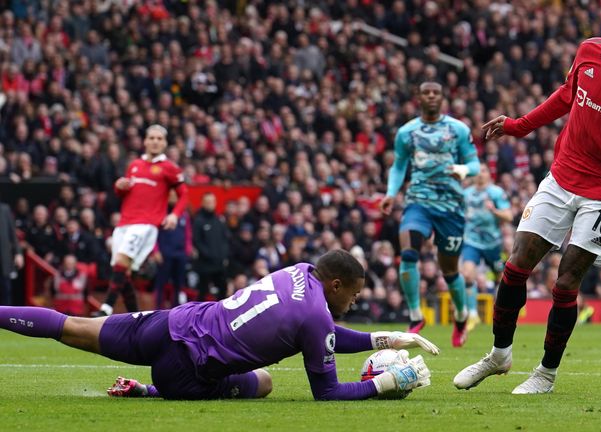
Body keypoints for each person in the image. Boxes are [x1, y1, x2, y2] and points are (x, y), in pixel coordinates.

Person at [454, 0, 601, 393]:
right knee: (517, 263)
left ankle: (545, 374)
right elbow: (565, 96)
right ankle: (499, 355)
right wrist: (519, 126)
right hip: (561, 178)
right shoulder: (590, 50)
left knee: (566, 281)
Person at [0, 250, 436, 400]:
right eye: (353, 294)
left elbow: (319, 332)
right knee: (263, 382)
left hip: (173, 321)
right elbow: (327, 393)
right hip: (182, 371)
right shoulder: (317, 315)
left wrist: (382, 337)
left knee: (71, 326)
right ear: (336, 284)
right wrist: (387, 382)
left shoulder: (300, 271)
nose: (355, 301)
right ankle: (150, 391)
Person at [379, 81, 481, 347]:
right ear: (418, 96)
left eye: (436, 92)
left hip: (451, 207)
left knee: (449, 271)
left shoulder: (458, 129)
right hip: (418, 202)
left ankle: (460, 318)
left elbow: (474, 164)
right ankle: (415, 315)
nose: (432, 96)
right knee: (408, 251)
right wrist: (391, 193)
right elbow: (399, 165)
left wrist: (463, 170)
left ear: (442, 97)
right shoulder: (407, 132)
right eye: (426, 92)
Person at [99, 124, 188, 316]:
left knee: (121, 263)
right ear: (145, 141)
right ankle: (135, 318)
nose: (155, 141)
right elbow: (124, 192)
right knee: (122, 272)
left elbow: (184, 194)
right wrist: (119, 187)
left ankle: (105, 308)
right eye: (152, 138)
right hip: (124, 222)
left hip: (146, 224)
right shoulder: (134, 165)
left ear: (164, 143)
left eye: (159, 139)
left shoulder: (169, 168)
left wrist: (174, 215)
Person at [461, 163, 513, 330]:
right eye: (477, 172)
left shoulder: (495, 192)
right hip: (471, 241)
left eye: (483, 171)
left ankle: (502, 313)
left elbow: (509, 216)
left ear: (489, 174)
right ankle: (473, 315)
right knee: (468, 275)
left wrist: (494, 211)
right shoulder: (466, 194)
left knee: (501, 278)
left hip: (492, 243)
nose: (480, 174)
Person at [192, 192, 229, 301]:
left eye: (212, 201)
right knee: (203, 292)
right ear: (202, 203)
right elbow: (197, 241)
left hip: (219, 264)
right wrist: (209, 255)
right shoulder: (198, 221)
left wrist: (223, 255)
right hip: (205, 265)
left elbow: (225, 239)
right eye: (208, 202)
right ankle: (199, 316)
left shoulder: (219, 220)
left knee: (223, 289)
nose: (210, 204)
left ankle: (218, 314)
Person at [0, 199, 24, 305]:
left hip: (3, 259)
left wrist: (18, 253)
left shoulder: (4, 209)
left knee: (6, 291)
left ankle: (5, 320)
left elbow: (12, 233)